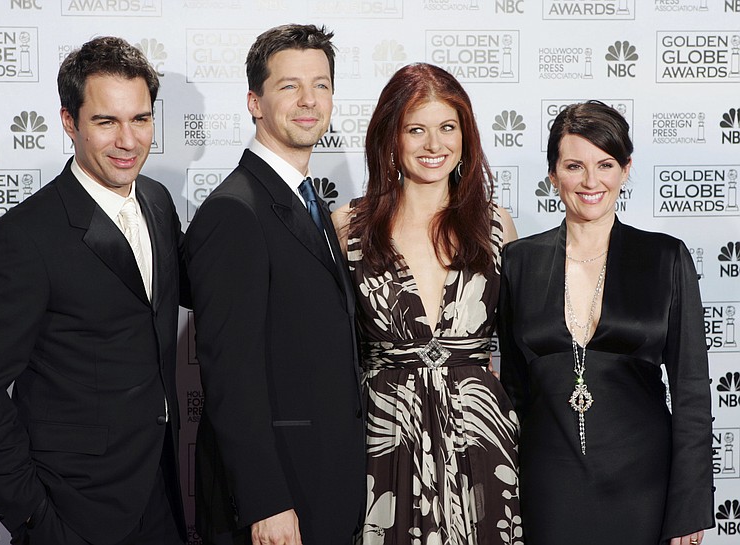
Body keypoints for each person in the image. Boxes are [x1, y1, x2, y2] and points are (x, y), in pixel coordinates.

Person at [0, 36, 188, 545]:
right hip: (73, 511)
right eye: (106, 121)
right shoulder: (25, 238)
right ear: (69, 122)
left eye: (140, 119)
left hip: (162, 498)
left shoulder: (160, 203)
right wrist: (34, 519)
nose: (128, 140)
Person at [497, 100, 714, 545]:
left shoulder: (665, 258)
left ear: (625, 169)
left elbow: (691, 391)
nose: (591, 181)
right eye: (574, 165)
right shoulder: (518, 262)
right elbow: (515, 392)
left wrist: (689, 506)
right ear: (553, 174)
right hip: (548, 484)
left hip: (645, 487)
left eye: (606, 164)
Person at [185, 24, 366, 545]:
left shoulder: (309, 203)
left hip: (325, 483)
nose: (309, 101)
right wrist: (266, 501)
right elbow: (229, 374)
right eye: (289, 86)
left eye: (322, 85)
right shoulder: (234, 211)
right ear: (254, 103)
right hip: (277, 502)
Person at [331, 62, 521, 544]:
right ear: (390, 138)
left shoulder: (496, 226)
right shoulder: (346, 227)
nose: (434, 146)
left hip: (482, 438)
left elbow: (522, 349)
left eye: (447, 128)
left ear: (465, 134)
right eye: (416, 130)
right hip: (383, 441)